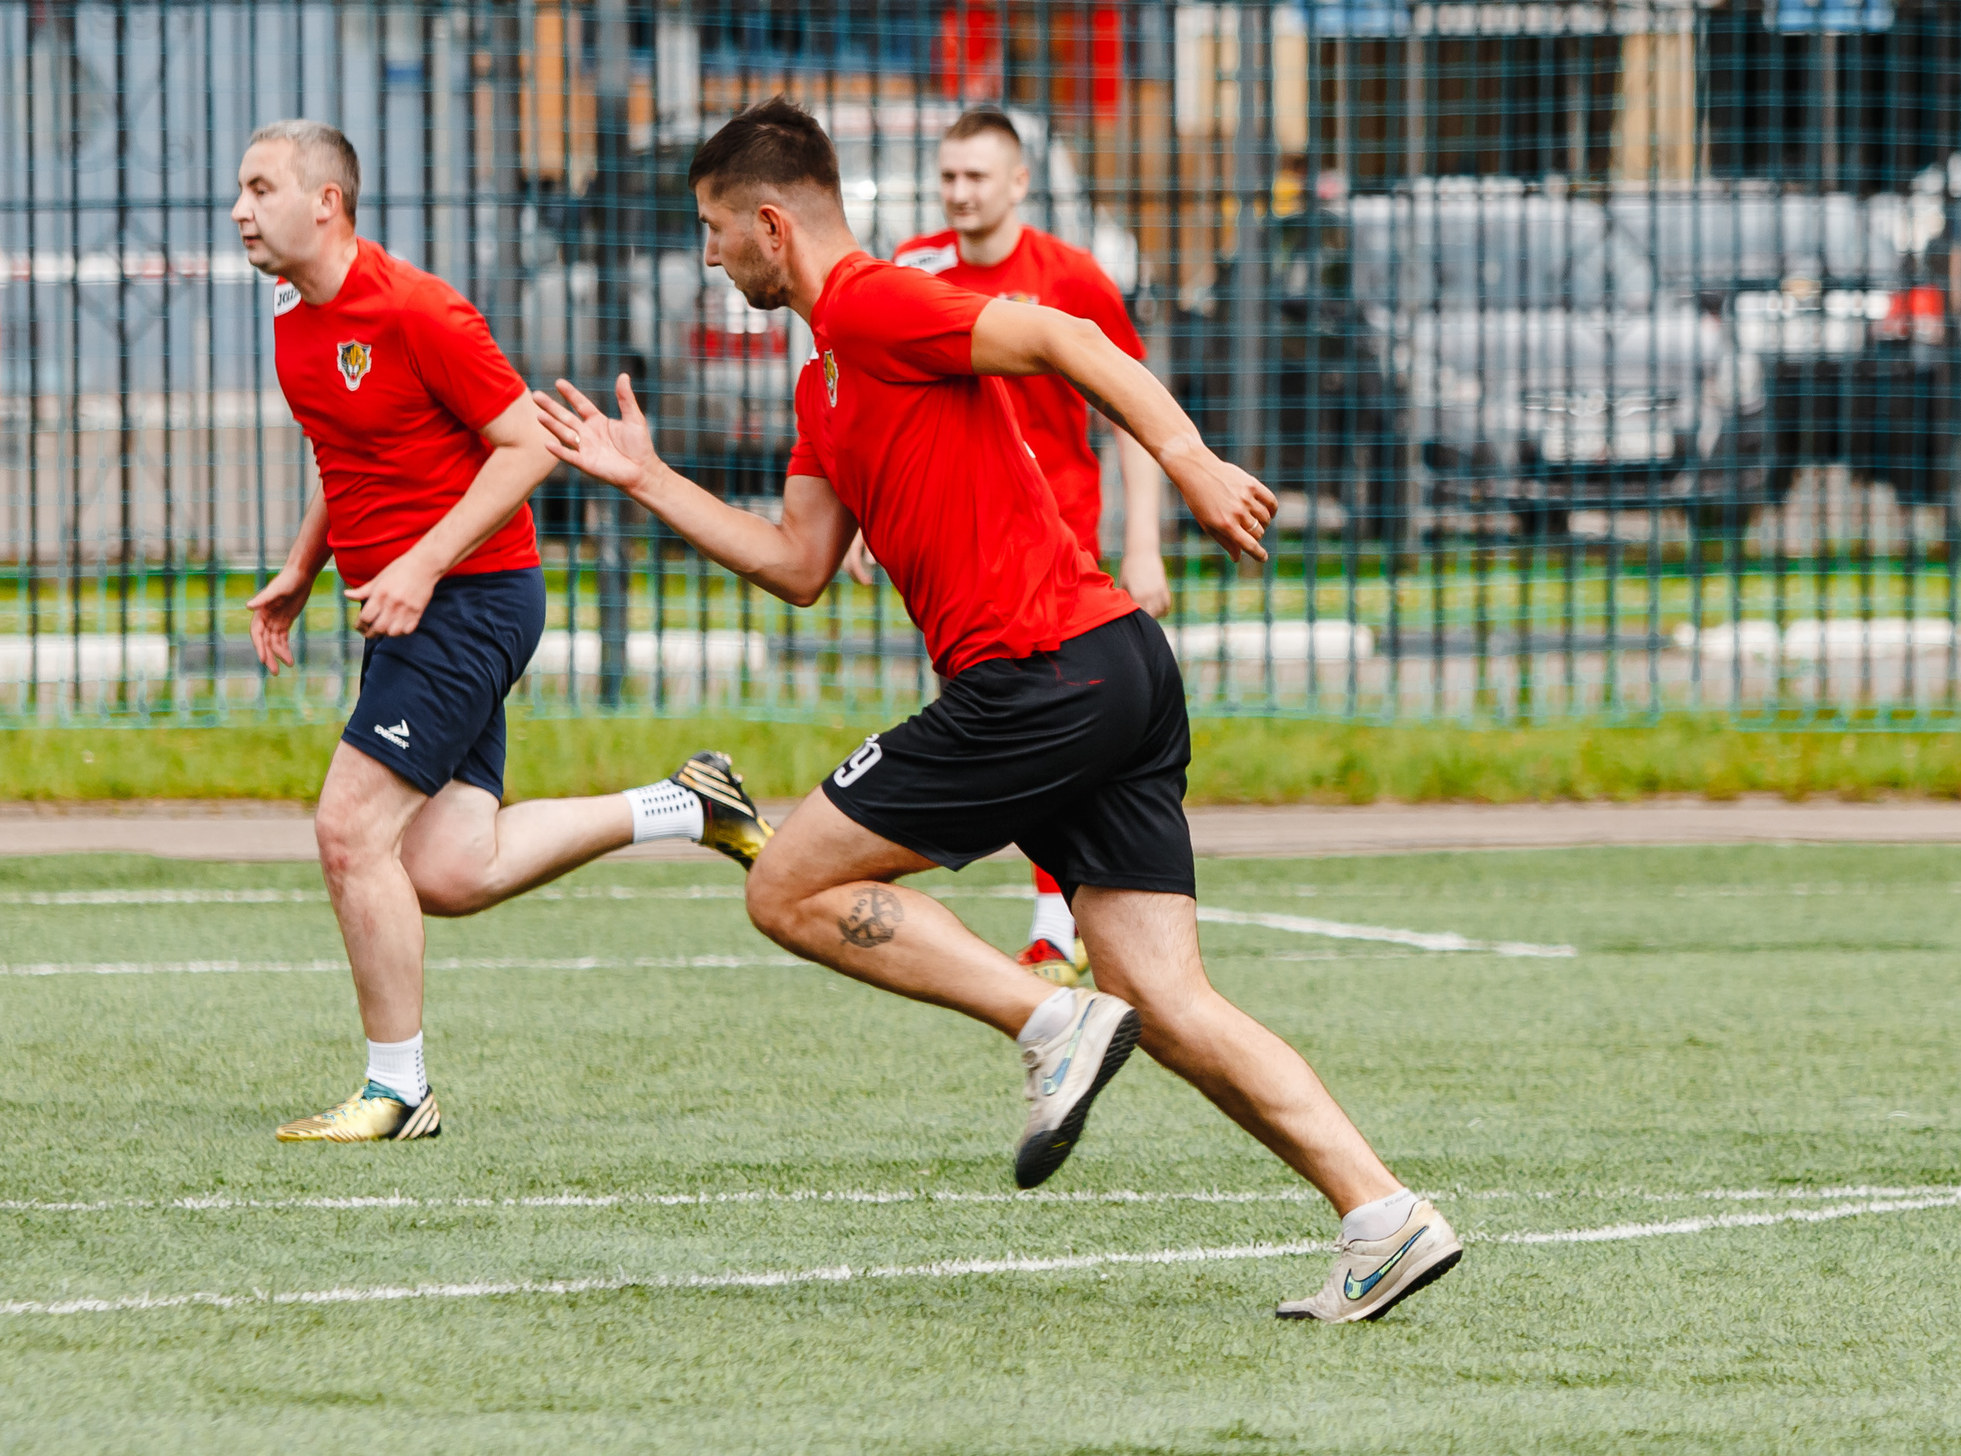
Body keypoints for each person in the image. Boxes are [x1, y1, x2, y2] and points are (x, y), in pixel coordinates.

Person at [533, 99, 1460, 1322]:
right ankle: (1381, 1215)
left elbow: (1066, 337)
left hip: (1044, 672)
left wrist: (1183, 459)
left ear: (770, 223)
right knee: (1169, 1003)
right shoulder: (825, 376)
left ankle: (1045, 1018)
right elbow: (799, 563)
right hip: (1112, 671)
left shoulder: (872, 299)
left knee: (783, 884)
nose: (708, 256)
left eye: (714, 230)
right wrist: (647, 477)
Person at [230, 119, 772, 1146]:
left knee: (349, 830)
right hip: (412, 607)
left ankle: (397, 1090)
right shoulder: (295, 322)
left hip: (472, 598)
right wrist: (305, 569)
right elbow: (343, 452)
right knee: (448, 870)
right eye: (240, 191)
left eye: (260, 189)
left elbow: (528, 448)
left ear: (326, 204)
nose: (239, 211)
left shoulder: (419, 308)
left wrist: (421, 564)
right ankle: (683, 805)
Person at [870, 108, 1168, 989]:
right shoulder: (914, 271)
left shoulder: (1072, 277)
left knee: (1031, 730)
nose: (958, 192)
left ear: (1019, 185)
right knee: (979, 719)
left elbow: (1128, 411)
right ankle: (1061, 913)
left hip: (1060, 549)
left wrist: (1142, 545)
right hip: (966, 550)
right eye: (948, 175)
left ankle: (1058, 918)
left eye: (976, 176)